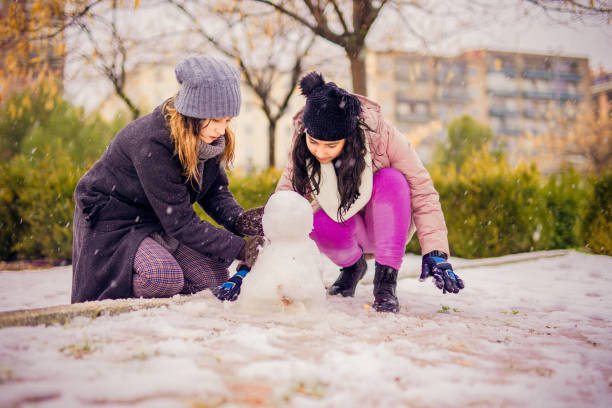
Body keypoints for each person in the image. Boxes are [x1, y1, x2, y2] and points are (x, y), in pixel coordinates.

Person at [71, 55, 265, 303]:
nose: (221, 129)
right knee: (163, 277)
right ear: (193, 113)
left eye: (227, 120)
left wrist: (240, 220)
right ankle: (121, 293)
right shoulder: (152, 142)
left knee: (213, 277)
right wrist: (241, 248)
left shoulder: (207, 141)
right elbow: (181, 222)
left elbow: (215, 192)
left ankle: (160, 291)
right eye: (216, 120)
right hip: (113, 220)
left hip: (155, 218)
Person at [275, 72, 464, 313]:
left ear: (347, 136)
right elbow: (283, 205)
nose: (320, 153)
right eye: (314, 142)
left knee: (392, 180)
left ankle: (385, 283)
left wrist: (435, 252)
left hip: (386, 224)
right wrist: (254, 264)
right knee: (313, 220)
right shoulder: (301, 147)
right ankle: (353, 267)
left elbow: (423, 191)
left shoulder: (382, 136)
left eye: (331, 145)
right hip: (346, 227)